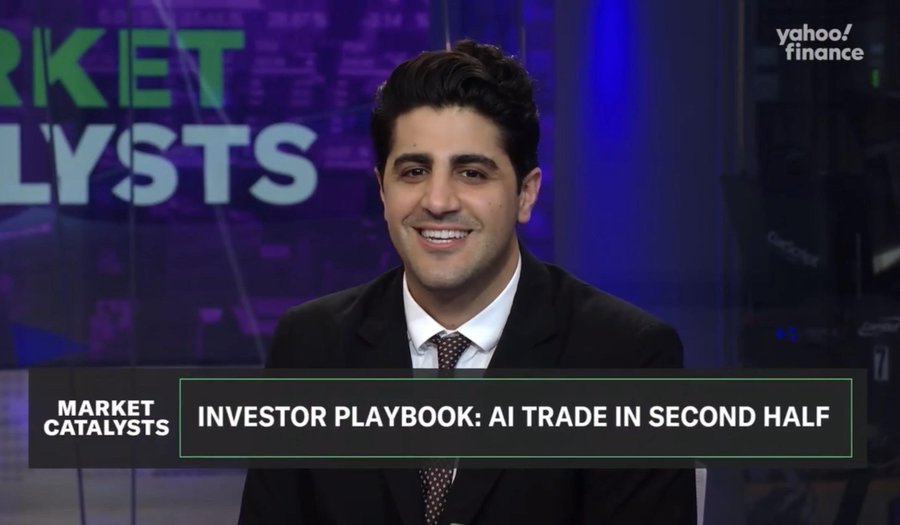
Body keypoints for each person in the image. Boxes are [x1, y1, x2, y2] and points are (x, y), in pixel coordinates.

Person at [238, 39, 696, 524]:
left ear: (525, 193)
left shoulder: (625, 360)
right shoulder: (311, 348)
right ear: (382, 191)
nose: (437, 200)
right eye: (414, 171)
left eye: (472, 172)